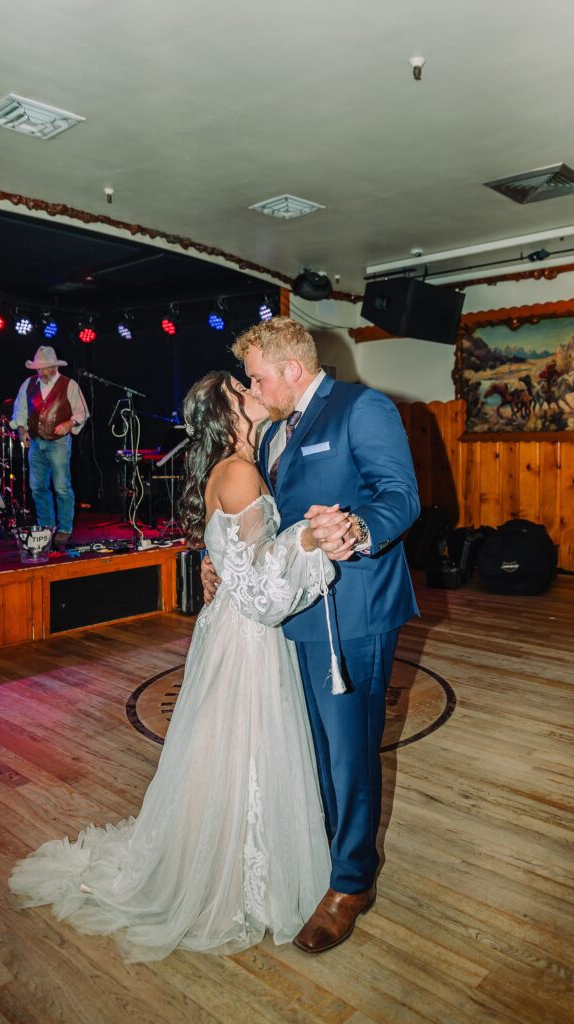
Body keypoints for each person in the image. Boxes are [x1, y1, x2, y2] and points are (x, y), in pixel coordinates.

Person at [9, 371, 352, 962]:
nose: (253, 391)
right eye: (242, 389)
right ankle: (235, 878)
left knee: (228, 750)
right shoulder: (239, 472)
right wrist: (307, 540)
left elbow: (239, 562)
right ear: (229, 413)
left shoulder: (238, 466)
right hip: (247, 636)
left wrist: (237, 561)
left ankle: (229, 858)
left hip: (232, 630)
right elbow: (262, 594)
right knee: (245, 746)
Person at [204, 317, 420, 953]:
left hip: (351, 610)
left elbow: (400, 496)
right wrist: (223, 563)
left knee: (349, 752)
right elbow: (264, 525)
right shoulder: (272, 430)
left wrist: (357, 528)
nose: (252, 387)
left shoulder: (362, 408)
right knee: (312, 747)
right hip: (290, 612)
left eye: (257, 377)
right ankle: (321, 854)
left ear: (292, 370)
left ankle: (352, 883)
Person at [11, 345, 89, 548]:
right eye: (38, 368)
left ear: (54, 367)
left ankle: (64, 528)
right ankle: (46, 526)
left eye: (43, 368)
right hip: (36, 443)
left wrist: (69, 423)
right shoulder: (28, 384)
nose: (40, 372)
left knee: (62, 487)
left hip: (59, 443)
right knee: (37, 487)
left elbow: (82, 412)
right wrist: (21, 430)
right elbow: (20, 411)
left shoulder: (69, 385)